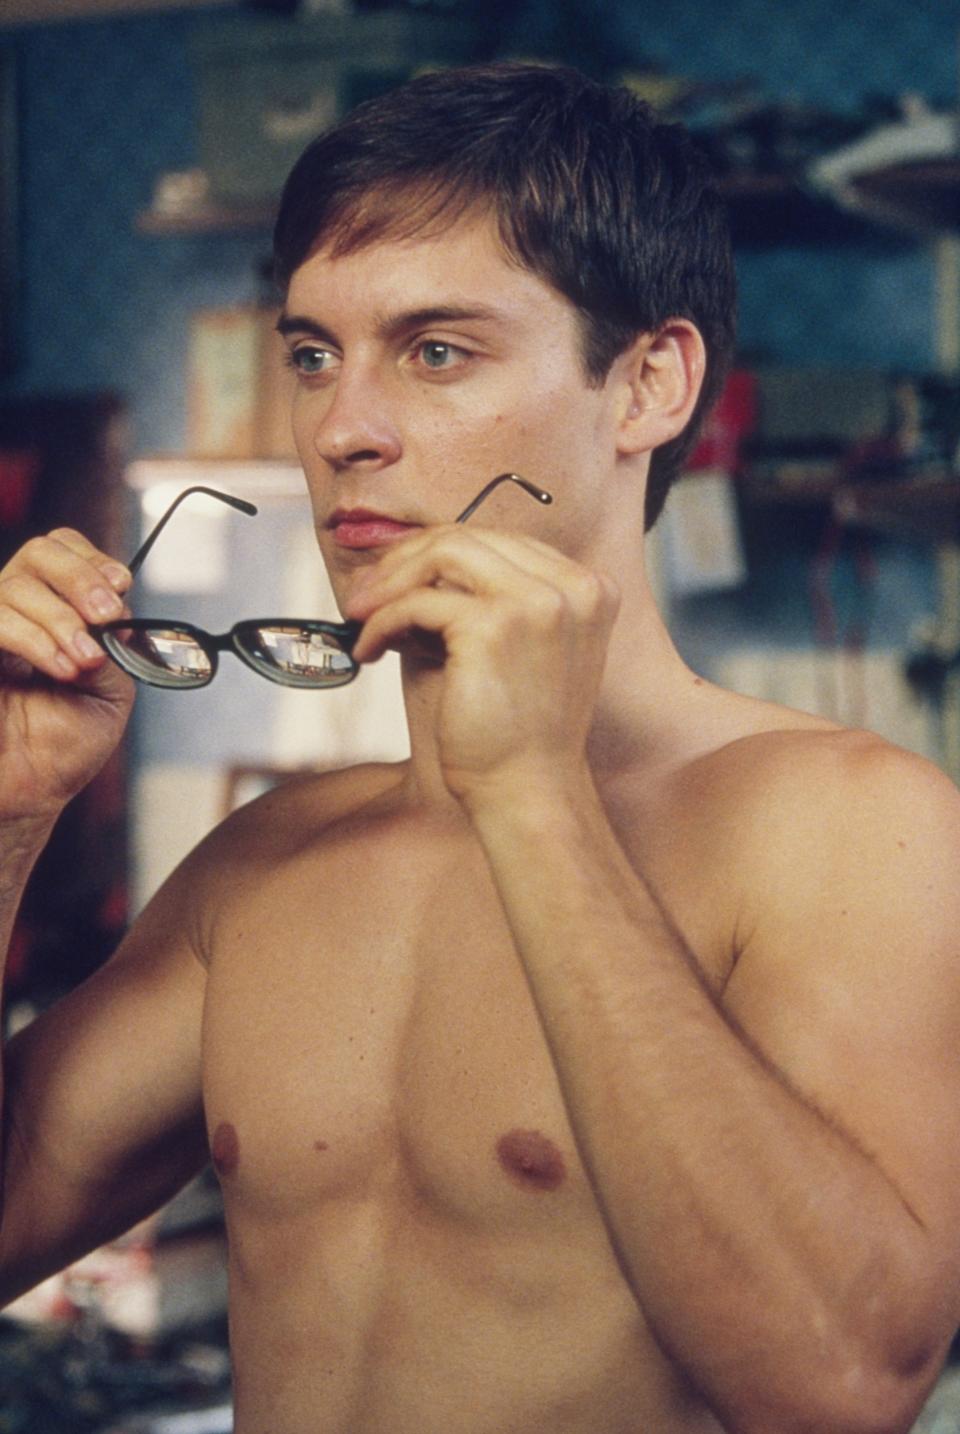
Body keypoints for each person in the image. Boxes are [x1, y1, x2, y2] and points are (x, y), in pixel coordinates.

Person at [0, 61, 958, 1434]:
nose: (343, 429)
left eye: (437, 351)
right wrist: (13, 807)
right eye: (314, 353)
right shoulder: (264, 863)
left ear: (647, 386)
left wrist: (534, 796)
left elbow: (842, 1379)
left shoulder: (858, 825)